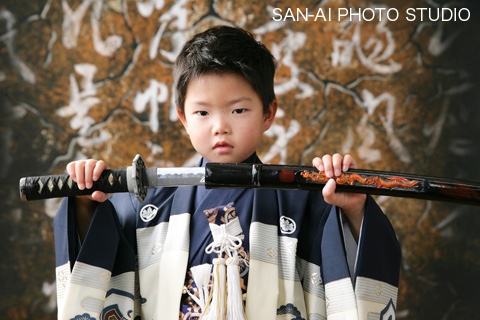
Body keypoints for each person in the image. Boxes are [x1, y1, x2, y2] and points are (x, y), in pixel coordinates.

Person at [54, 26, 401, 320]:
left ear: (268, 113)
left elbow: (350, 273)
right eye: (202, 113)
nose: (220, 127)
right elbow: (100, 263)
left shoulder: (301, 201)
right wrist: (85, 202)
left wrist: (352, 207)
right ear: (182, 117)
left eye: (238, 109)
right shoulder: (147, 202)